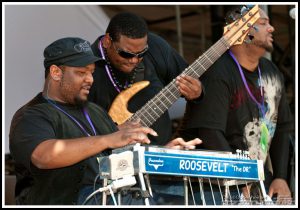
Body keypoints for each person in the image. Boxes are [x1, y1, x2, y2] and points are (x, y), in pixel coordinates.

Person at [9, 37, 201, 205]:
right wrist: (108, 139)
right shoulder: (32, 115)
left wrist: (163, 155)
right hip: (66, 201)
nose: (90, 79)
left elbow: (120, 158)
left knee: (201, 195)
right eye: (81, 72)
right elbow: (44, 156)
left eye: (91, 72)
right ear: (56, 73)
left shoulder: (94, 112)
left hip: (113, 197)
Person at [176, 6, 294, 205]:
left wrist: (281, 177)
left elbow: (282, 127)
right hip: (220, 188)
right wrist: (241, 178)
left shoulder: (271, 71)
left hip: (259, 182)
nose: (272, 28)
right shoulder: (217, 72)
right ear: (244, 33)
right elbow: (210, 132)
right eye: (263, 24)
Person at [88, 12, 203, 204]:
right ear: (108, 41)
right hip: (113, 177)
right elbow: (78, 130)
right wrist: (111, 133)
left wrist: (199, 91)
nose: (134, 60)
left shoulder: (156, 48)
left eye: (141, 54)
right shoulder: (88, 67)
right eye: (126, 54)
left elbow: (191, 80)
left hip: (162, 167)